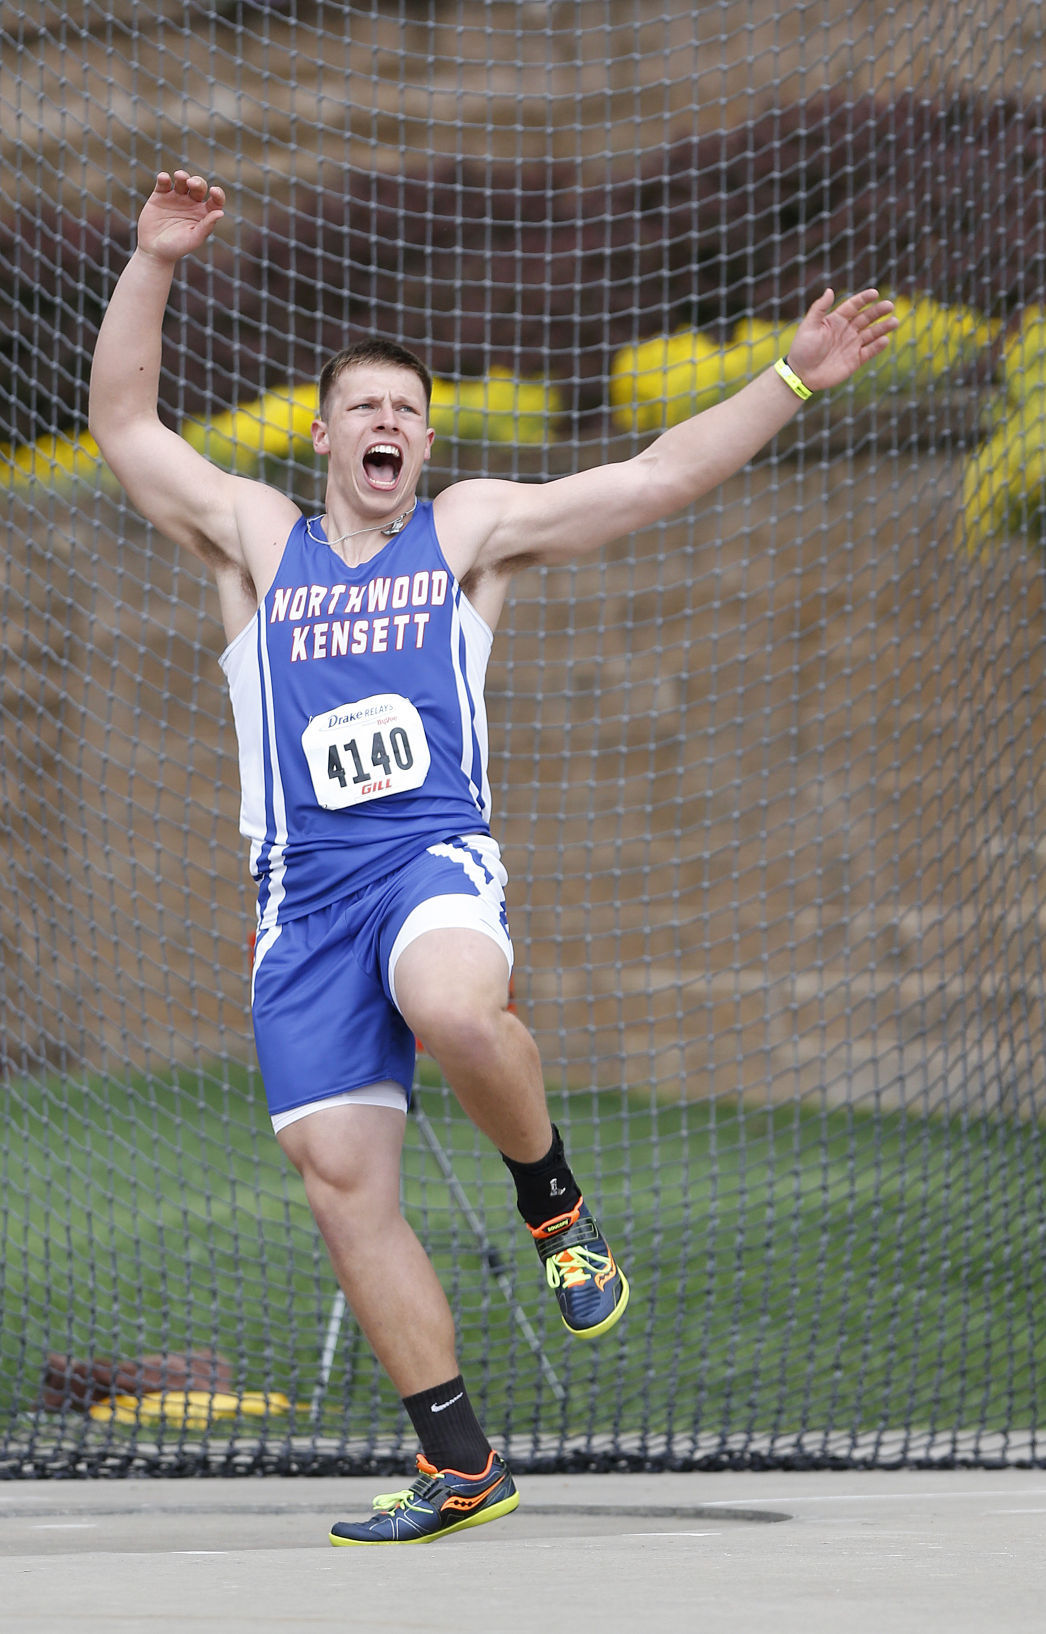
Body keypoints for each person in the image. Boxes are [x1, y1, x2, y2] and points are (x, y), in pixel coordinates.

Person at [88, 168, 898, 1546]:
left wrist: (792, 378)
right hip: (299, 905)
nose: (390, 423)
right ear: (328, 436)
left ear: (423, 437)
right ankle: (459, 1462)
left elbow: (652, 476)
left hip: (428, 862)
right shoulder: (255, 541)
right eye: (366, 409)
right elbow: (121, 419)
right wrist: (156, 256)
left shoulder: (464, 532)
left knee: (454, 1003)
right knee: (346, 1190)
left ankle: (552, 1199)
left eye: (408, 408)